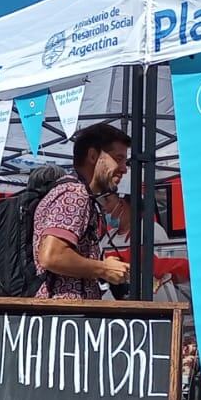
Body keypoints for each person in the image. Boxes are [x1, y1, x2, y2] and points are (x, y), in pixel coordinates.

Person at [32, 123, 133, 299]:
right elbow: (52, 256)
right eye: (118, 158)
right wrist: (104, 269)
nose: (124, 168)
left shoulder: (76, 192)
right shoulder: (75, 193)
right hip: (62, 315)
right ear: (93, 156)